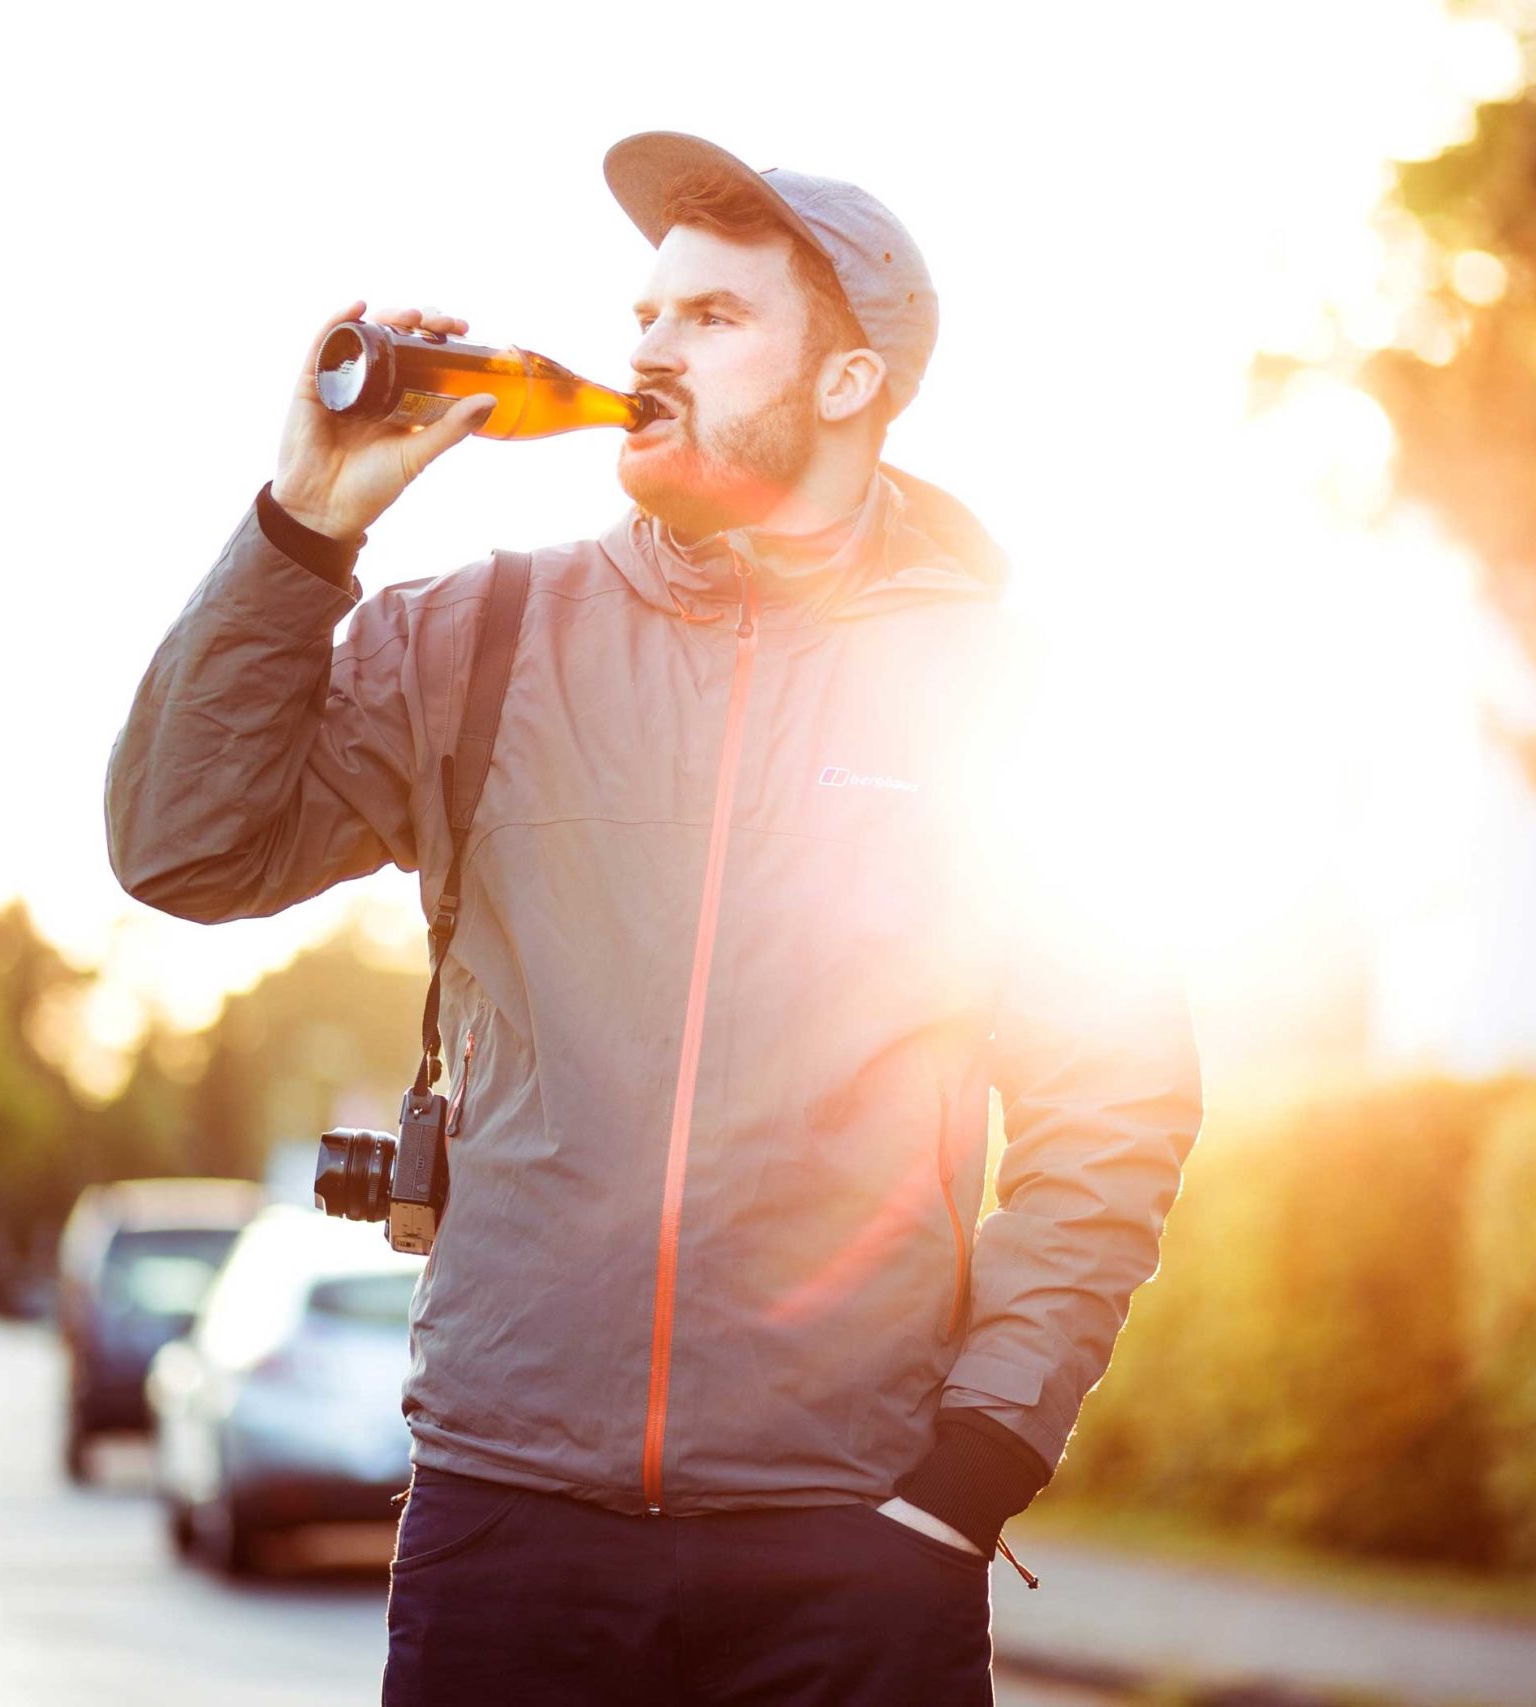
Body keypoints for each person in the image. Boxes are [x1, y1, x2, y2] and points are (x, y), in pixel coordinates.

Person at [105, 129, 1203, 1706]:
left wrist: (971, 1469)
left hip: (851, 1549)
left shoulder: (1008, 697)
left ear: (851, 380)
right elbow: (180, 848)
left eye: (711, 317)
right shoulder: (481, 639)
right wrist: (303, 526)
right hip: (509, 1534)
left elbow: (1115, 1100)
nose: (648, 348)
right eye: (644, 315)